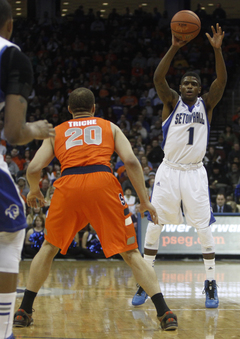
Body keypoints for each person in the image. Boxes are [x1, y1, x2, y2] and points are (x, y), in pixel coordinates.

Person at [14, 87, 178, 331]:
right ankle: (164, 312)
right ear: (93, 109)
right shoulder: (109, 126)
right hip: (103, 183)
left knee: (49, 248)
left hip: (68, 185)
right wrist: (144, 200)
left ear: (70, 111)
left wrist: (34, 190)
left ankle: (24, 310)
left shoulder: (57, 131)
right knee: (131, 253)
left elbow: (33, 168)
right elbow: (131, 161)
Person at [132, 24, 227, 309]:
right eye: (184, 82)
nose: (188, 86)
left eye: (193, 84)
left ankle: (210, 283)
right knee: (155, 224)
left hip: (195, 172)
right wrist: (174, 47)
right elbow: (158, 77)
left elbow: (221, 81)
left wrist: (217, 51)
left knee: (203, 228)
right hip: (169, 170)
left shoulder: (206, 104)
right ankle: (145, 281)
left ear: (199, 89)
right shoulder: (170, 101)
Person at [0, 1, 55, 339]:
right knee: (11, 230)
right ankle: (4, 330)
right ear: (8, 25)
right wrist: (36, 129)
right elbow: (13, 133)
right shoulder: (11, 56)